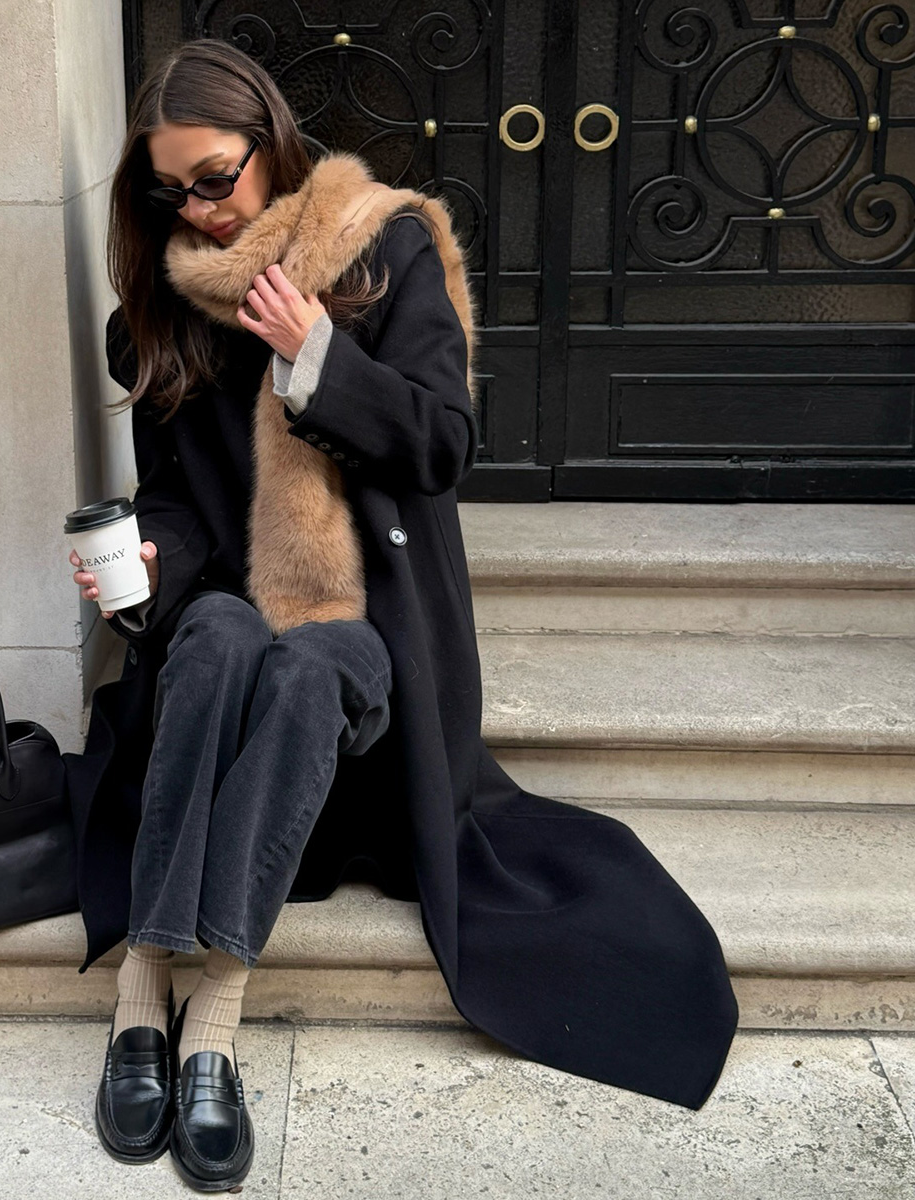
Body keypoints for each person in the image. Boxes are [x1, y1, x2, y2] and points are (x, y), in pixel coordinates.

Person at [67, 36, 737, 1196]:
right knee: (222, 637)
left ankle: (207, 1023)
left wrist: (314, 354)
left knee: (308, 667)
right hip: (231, 628)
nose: (198, 209)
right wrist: (150, 560)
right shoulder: (162, 315)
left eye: (215, 176)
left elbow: (441, 447)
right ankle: (140, 1004)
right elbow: (174, 493)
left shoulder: (385, 248)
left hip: (368, 645)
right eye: (170, 189)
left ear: (271, 149)